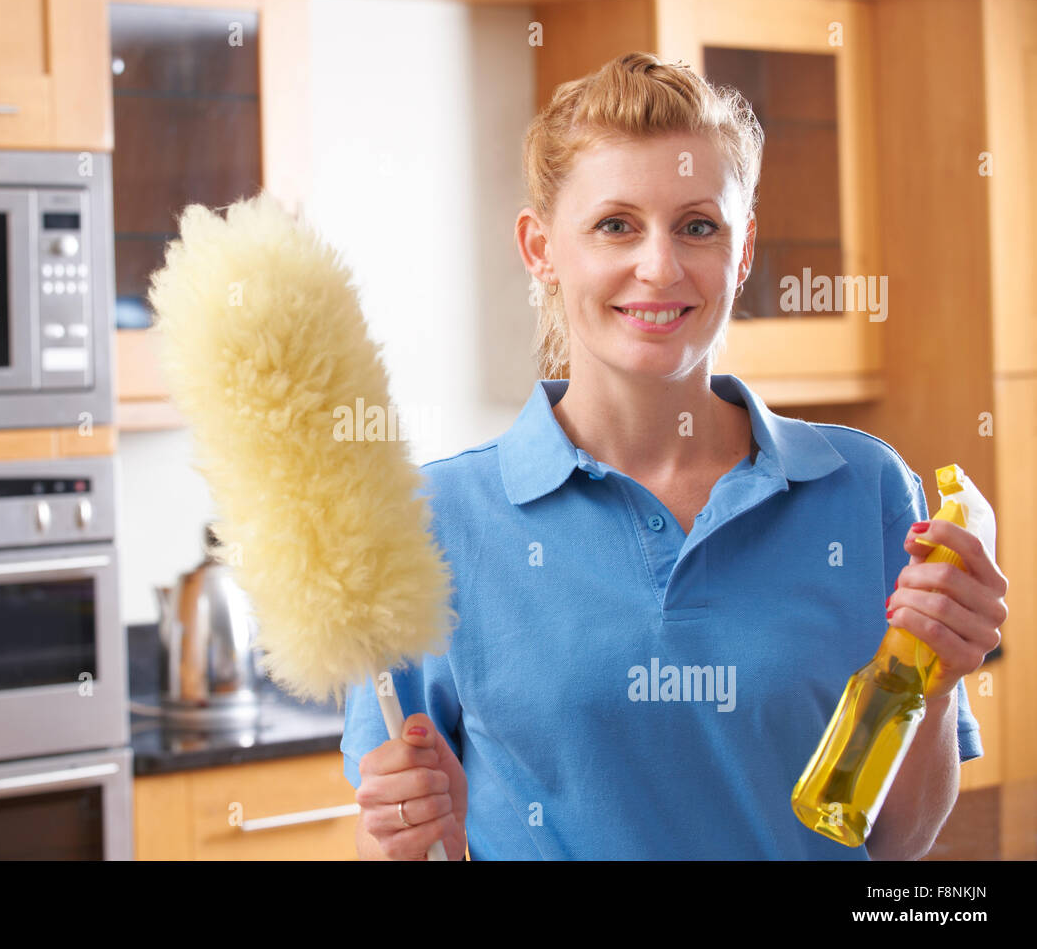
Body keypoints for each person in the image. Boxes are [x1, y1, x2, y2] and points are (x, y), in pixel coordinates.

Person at [340, 52, 1008, 860]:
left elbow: (894, 843)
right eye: (615, 224)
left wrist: (935, 687)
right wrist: (413, 839)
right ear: (540, 247)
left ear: (744, 247)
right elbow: (411, 835)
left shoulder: (865, 493)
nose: (659, 267)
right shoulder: (428, 527)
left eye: (698, 226)